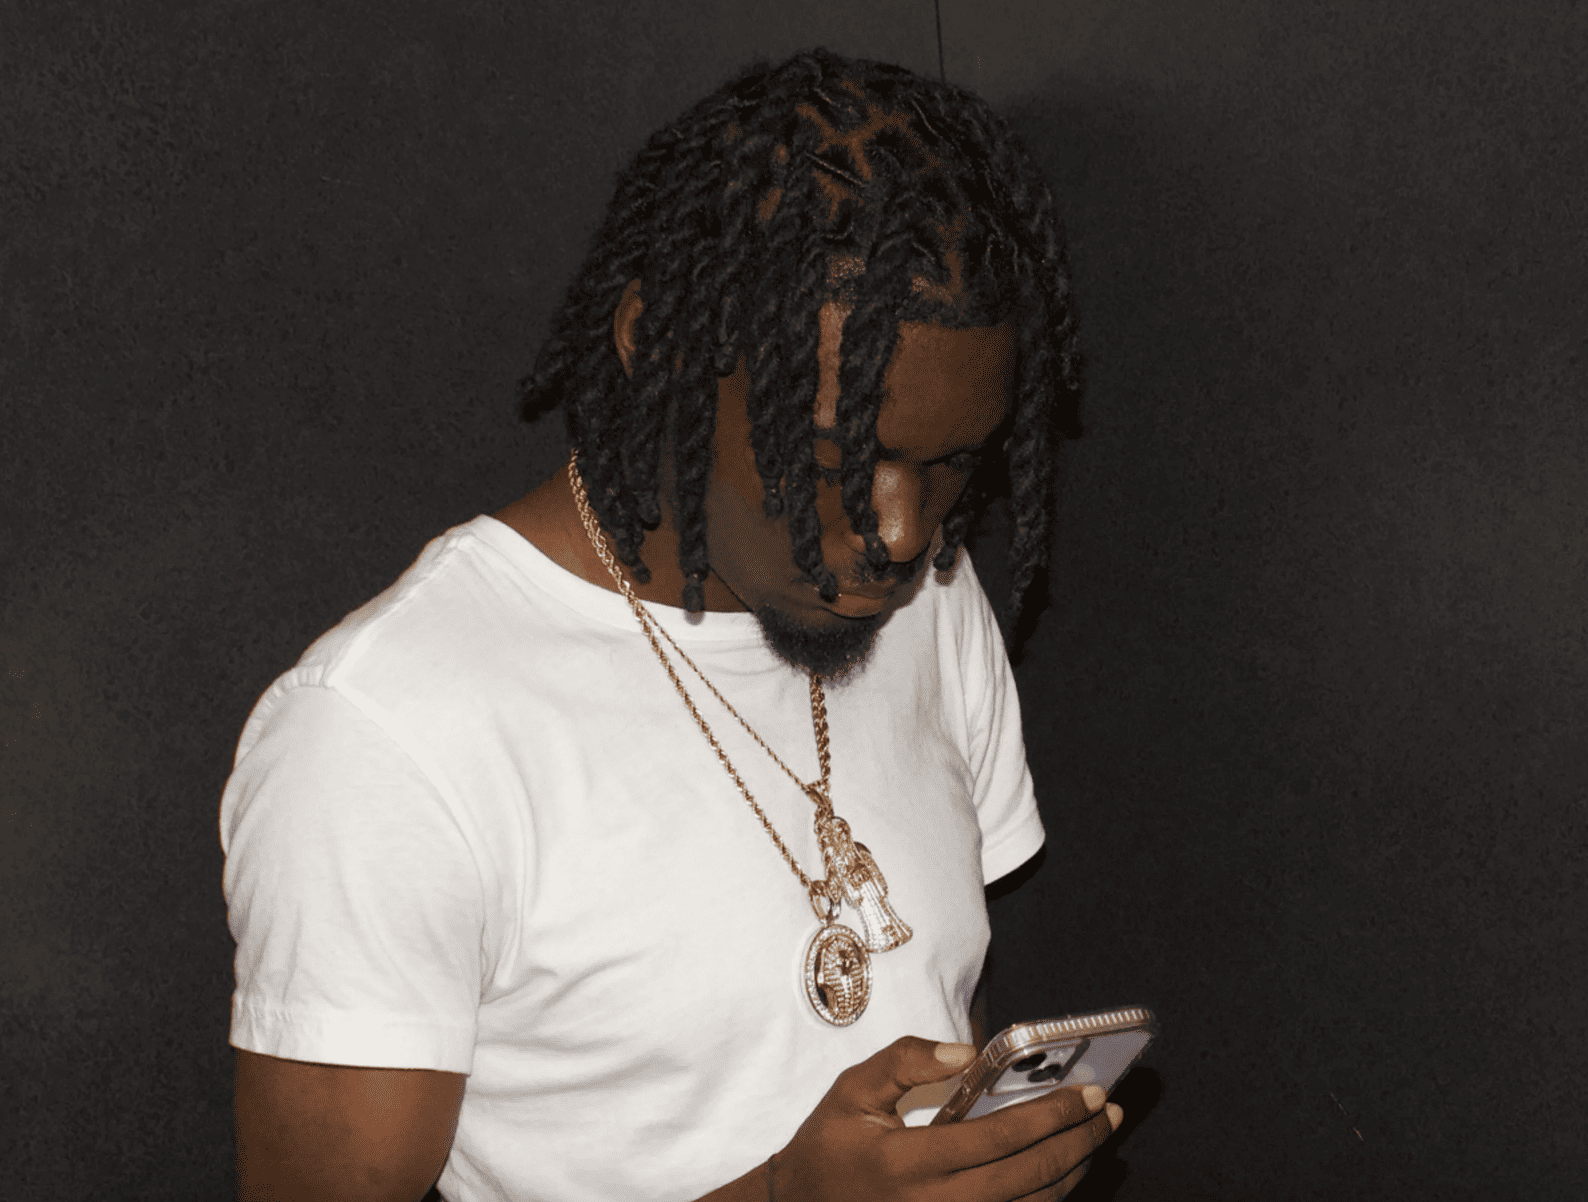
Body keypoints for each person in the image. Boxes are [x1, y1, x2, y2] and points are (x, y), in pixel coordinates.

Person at [222, 48, 1117, 1202]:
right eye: (837, 456)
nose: (900, 532)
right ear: (659, 344)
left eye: (951, 463)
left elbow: (929, 1010)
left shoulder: (930, 601)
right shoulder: (388, 731)